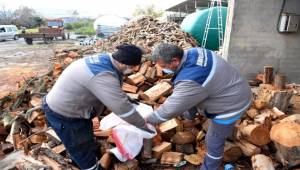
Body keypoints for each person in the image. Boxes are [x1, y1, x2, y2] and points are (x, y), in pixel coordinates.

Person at [145, 43, 252, 170]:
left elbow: (169, 109)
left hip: (232, 104)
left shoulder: (191, 81)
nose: (161, 68)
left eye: (163, 66)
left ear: (175, 60)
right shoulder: (194, 51)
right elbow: (191, 90)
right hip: (234, 86)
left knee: (213, 141)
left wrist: (149, 120)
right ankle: (197, 119)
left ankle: (209, 167)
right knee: (190, 99)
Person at [42, 44, 148, 170]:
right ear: (122, 63)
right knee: (81, 149)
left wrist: (123, 97)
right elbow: (123, 110)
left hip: (75, 109)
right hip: (66, 115)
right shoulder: (102, 74)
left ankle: (81, 158)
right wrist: (143, 125)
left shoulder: (106, 60)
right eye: (132, 67)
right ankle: (91, 167)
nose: (134, 70)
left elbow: (105, 87)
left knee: (85, 142)